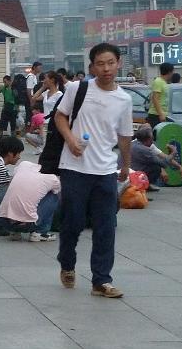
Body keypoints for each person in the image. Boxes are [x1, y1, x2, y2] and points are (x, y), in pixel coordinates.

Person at [56, 42, 132, 299]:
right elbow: (60, 116)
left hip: (105, 170)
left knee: (106, 226)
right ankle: (67, 262)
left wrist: (126, 165)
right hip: (75, 168)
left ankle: (101, 280)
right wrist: (70, 139)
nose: (106, 68)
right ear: (92, 66)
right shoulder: (78, 89)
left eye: (111, 63)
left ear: (119, 63)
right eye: (101, 63)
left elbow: (124, 136)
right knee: (73, 221)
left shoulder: (124, 99)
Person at [0, 160, 60, 242]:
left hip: (5, 222)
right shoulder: (52, 178)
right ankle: (40, 232)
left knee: (23, 192)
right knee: (53, 196)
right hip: (27, 225)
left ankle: (15, 232)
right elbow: (57, 191)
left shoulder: (24, 165)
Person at [129, 125, 182, 191]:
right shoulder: (144, 149)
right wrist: (173, 152)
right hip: (132, 174)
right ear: (148, 139)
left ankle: (146, 185)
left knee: (154, 165)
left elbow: (162, 157)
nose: (153, 141)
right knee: (156, 168)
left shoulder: (133, 144)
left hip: (127, 171)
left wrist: (179, 166)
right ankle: (144, 186)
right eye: (152, 139)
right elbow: (163, 163)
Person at [148, 62, 174, 128]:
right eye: (172, 72)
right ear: (169, 72)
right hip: (155, 115)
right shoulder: (158, 81)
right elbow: (155, 98)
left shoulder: (164, 82)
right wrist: (161, 114)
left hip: (162, 114)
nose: (172, 74)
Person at [25, 62, 42, 127]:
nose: (40, 69)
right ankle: (28, 131)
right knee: (29, 117)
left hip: (33, 99)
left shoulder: (34, 76)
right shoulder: (31, 77)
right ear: (34, 67)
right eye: (39, 67)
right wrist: (31, 101)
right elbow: (29, 90)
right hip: (31, 99)